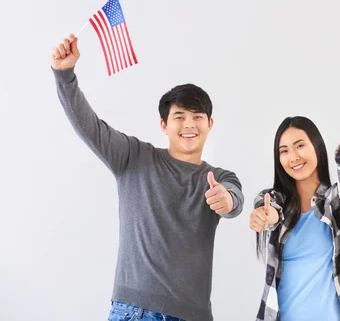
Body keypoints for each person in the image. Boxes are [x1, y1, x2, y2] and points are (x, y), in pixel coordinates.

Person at [51, 34, 244, 321]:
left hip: (194, 315)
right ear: (164, 125)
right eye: (179, 116)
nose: (188, 124)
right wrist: (64, 75)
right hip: (135, 311)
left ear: (209, 124)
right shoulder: (134, 157)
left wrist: (226, 200)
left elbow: (234, 199)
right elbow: (89, 127)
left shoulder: (219, 177)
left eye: (197, 116)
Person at [250, 68, 340, 321]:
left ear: (316, 146)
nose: (292, 157)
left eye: (300, 146)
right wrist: (267, 216)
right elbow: (269, 207)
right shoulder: (276, 200)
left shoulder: (335, 204)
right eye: (283, 151)